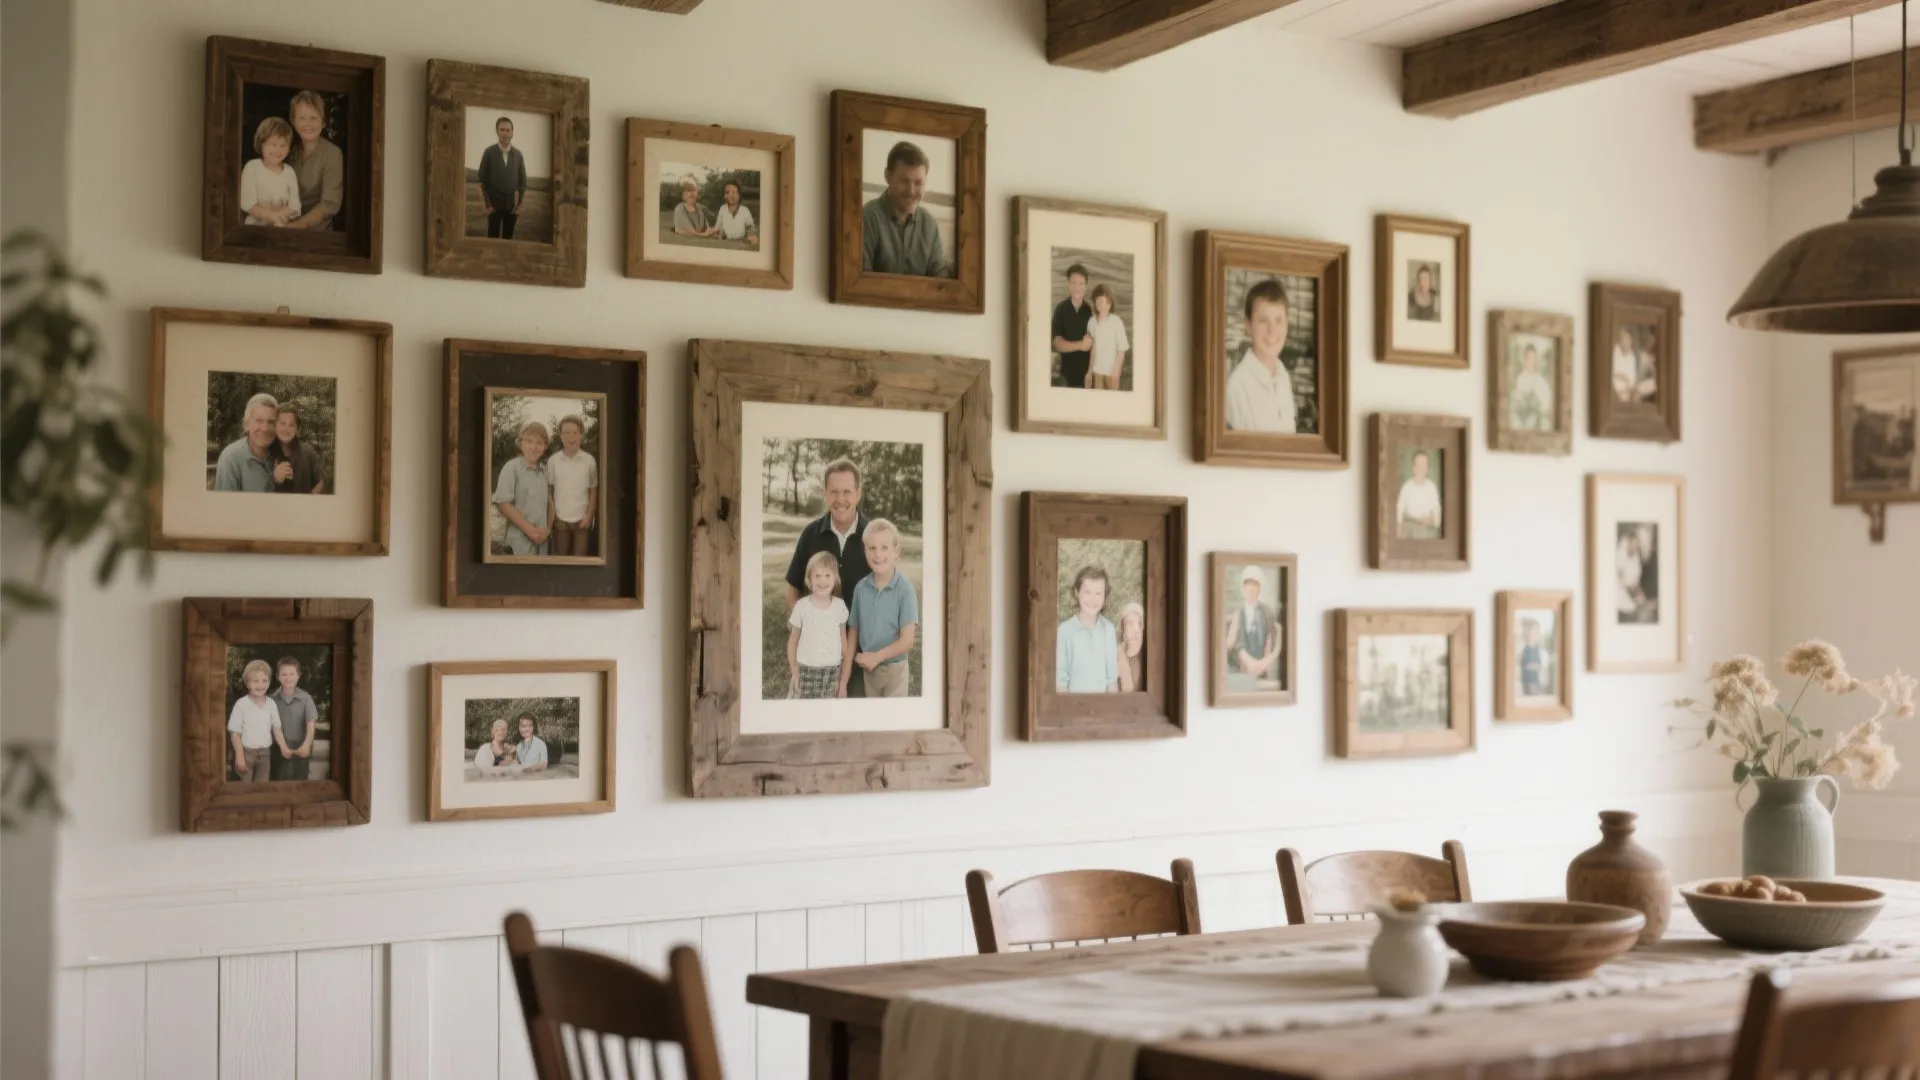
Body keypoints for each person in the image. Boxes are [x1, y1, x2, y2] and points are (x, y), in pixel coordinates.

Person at [783, 458, 873, 695]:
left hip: (863, 648)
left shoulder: (872, 536)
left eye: (847, 491)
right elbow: (794, 588)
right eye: (834, 492)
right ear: (825, 494)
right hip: (816, 656)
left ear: (858, 493)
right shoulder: (811, 534)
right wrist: (806, 627)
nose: (840, 499)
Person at [844, 519, 918, 698]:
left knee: (892, 722)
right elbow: (853, 634)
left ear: (896, 552)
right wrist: (843, 681)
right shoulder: (861, 588)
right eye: (872, 548)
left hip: (895, 670)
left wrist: (877, 657)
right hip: (868, 671)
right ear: (865, 551)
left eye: (885, 547)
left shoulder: (905, 590)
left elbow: (907, 640)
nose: (878, 554)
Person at [860, 140, 948, 277]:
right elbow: (859, 284)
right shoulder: (867, 218)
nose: (911, 191)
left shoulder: (930, 225)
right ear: (888, 177)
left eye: (918, 183)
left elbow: (940, 281)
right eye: (904, 181)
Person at [1225, 279, 1299, 433]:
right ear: (1248, 326)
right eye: (1263, 321)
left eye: (1278, 320)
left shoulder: (1283, 376)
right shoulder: (1238, 387)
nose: (1272, 331)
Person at [787, 551, 850, 700]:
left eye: (828, 575)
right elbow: (793, 641)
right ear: (809, 579)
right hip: (805, 669)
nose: (823, 580)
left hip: (831, 672)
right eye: (817, 576)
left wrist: (841, 676)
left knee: (826, 716)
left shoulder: (840, 606)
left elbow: (844, 642)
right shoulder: (802, 606)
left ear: (835, 578)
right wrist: (795, 669)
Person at [285, 90, 343, 231]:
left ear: (323, 122)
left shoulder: (332, 154)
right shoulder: (289, 152)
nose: (308, 124)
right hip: (286, 229)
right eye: (302, 118)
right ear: (293, 121)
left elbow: (329, 204)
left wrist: (294, 227)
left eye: (313, 118)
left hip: (318, 236)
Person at [493, 420, 552, 556]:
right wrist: (530, 530)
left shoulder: (545, 471)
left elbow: (550, 503)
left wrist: (547, 530)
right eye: (529, 441)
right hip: (518, 543)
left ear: (545, 446)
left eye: (539, 442)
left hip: (541, 543)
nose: (534, 447)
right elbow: (504, 504)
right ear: (521, 443)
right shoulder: (512, 468)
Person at [1056, 566, 1119, 693]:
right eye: (1087, 592)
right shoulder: (1065, 630)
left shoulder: (1109, 630)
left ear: (1105, 597)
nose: (1093, 599)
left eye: (1098, 593)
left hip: (1103, 709)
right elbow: (1060, 681)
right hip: (1074, 708)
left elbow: (1111, 682)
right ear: (1076, 592)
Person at [226, 660, 288, 784]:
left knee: (262, 787)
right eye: (256, 681)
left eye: (264, 680)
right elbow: (235, 733)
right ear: (248, 683)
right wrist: (239, 756)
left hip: (265, 754)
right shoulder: (241, 704)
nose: (261, 685)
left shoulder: (271, 704)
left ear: (269, 682)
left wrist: (284, 747)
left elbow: (277, 729)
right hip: (246, 753)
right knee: (245, 788)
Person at [546, 414, 597, 557]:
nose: (571, 437)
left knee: (580, 560)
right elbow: (550, 492)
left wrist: (589, 515)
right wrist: (553, 518)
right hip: (560, 520)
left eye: (575, 432)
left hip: (582, 519)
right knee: (560, 560)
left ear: (581, 435)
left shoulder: (589, 461)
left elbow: (593, 491)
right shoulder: (553, 461)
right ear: (561, 436)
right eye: (567, 433)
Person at [213, 393, 285, 492]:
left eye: (271, 422)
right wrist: (273, 482)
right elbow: (225, 505)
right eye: (259, 420)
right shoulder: (230, 458)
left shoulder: (280, 454)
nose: (265, 428)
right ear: (246, 424)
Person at [1224, 565, 1282, 687]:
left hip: (1262, 673)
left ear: (1259, 588)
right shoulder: (1238, 614)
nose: (1251, 589)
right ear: (1242, 589)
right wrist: (1250, 663)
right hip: (1241, 673)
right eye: (1247, 585)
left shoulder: (1267, 612)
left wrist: (1264, 663)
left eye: (1254, 585)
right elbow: (1235, 644)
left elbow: (1271, 641)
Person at [240, 117, 303, 227]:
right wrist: (273, 217)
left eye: (283, 145)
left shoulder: (289, 172)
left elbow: (295, 207)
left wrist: (279, 219)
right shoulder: (252, 167)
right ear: (261, 144)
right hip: (254, 230)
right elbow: (248, 204)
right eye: (273, 144)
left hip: (283, 228)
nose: (278, 150)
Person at [267, 656, 319, 781]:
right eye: (284, 674)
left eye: (292, 674)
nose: (288, 677)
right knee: (278, 782)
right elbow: (273, 726)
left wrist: (307, 744)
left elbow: (311, 723)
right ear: (278, 676)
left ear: (298, 676)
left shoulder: (306, 698)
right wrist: (283, 747)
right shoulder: (272, 699)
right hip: (279, 748)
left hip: (301, 747)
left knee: (300, 781)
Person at [477, 116, 526, 240]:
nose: (505, 133)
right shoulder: (489, 152)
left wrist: (518, 204)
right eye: (502, 130)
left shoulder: (518, 155)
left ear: (512, 132)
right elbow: (482, 180)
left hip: (511, 207)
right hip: (494, 206)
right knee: (492, 238)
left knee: (508, 239)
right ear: (497, 132)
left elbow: (523, 182)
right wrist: (488, 205)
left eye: (508, 130)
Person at [1051, 264, 1095, 390]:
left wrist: (1090, 373)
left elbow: (1094, 346)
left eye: (1081, 283)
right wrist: (1081, 345)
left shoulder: (1090, 311)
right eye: (1073, 283)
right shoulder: (1060, 309)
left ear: (1086, 287)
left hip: (1087, 377)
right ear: (1068, 285)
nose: (1077, 287)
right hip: (1066, 377)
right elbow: (1057, 343)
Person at [268, 405, 325, 495]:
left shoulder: (308, 452)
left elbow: (320, 482)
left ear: (298, 430)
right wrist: (275, 479)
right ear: (275, 427)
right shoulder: (266, 453)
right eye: (282, 424)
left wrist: (310, 500)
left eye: (291, 425)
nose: (286, 429)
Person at [1087, 284, 1131, 391]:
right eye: (1098, 302)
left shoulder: (1116, 322)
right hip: (1097, 371)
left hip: (1112, 372)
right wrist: (1089, 371)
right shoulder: (1092, 322)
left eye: (1104, 302)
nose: (1101, 305)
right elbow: (1093, 348)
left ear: (1110, 303)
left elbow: (1122, 349)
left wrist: (1116, 370)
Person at [1396, 450, 1443, 540]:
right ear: (1413, 467)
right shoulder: (1407, 486)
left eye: (1424, 465)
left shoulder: (1431, 488)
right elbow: (1399, 511)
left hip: (1425, 528)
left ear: (1427, 467)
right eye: (1419, 465)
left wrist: (1431, 520)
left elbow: (1438, 516)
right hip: (1408, 527)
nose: (1421, 468)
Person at [1510, 343, 1554, 432]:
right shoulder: (1519, 379)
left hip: (1536, 421)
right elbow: (1516, 401)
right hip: (1521, 419)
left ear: (1535, 360)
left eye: (1532, 358)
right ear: (1524, 358)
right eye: (1527, 358)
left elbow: (1546, 404)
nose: (1529, 361)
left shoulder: (1540, 380)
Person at [713, 181, 758, 248]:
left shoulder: (745, 210)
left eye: (734, 192)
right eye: (727, 192)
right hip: (725, 243)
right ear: (724, 196)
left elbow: (751, 228)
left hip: (741, 243)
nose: (732, 195)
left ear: (739, 194)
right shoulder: (722, 209)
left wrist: (751, 236)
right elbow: (717, 228)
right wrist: (719, 233)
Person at [1615, 529, 1646, 622]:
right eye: (1633, 544)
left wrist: (1637, 590)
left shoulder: (1635, 558)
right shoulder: (1620, 555)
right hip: (1621, 596)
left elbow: (1634, 580)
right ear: (1628, 541)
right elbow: (1625, 582)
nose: (1635, 547)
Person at [1116, 601, 1146, 693]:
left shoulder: (1149, 657)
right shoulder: (1116, 655)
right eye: (1130, 623)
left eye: (1139, 623)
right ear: (1123, 628)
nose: (1136, 629)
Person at [1518, 618, 1548, 698]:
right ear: (1528, 633)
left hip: (1537, 684)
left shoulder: (1539, 650)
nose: (1537, 634)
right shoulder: (1525, 650)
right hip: (1527, 685)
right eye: (1534, 631)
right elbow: (1524, 667)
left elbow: (1541, 666)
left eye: (1537, 631)